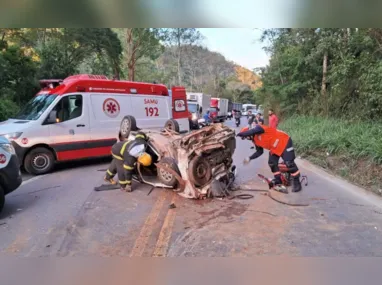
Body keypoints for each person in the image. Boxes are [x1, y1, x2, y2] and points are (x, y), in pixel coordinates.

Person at [237, 124, 302, 192]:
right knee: (272, 163)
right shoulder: (255, 141)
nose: (247, 139)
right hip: (274, 148)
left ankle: (297, 182)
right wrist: (250, 158)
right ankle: (278, 180)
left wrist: (241, 134)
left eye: (246, 137)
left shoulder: (259, 129)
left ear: (249, 133)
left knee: (289, 163)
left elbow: (252, 131)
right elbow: (259, 152)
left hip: (284, 141)